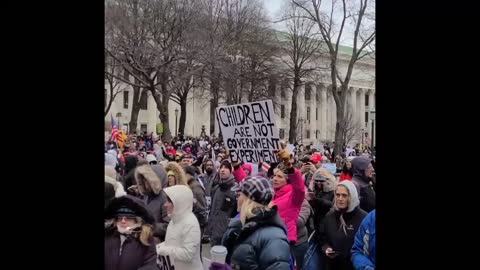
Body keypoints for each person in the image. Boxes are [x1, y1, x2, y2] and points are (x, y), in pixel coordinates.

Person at [222, 176, 291, 270]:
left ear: (248, 200)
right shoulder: (240, 225)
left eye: (239, 195)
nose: (236, 198)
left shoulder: (274, 237)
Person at [319, 181, 367, 270]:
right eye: (337, 195)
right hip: (333, 266)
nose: (340, 198)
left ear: (352, 196)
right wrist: (326, 248)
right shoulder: (329, 216)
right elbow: (322, 238)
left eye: (344, 195)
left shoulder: (364, 218)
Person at [156, 185, 203, 270]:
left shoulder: (190, 223)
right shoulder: (174, 219)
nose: (165, 204)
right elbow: (171, 242)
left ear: (180, 202)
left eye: (169, 201)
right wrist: (158, 247)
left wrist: (163, 250)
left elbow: (188, 254)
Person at [104, 195, 157, 270]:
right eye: (120, 218)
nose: (123, 221)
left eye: (128, 218)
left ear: (137, 220)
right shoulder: (107, 236)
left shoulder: (145, 238)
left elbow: (150, 265)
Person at [269, 147, 306, 249]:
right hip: (270, 238)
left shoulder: (293, 196)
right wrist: (236, 167)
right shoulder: (271, 193)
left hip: (285, 240)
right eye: (274, 176)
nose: (275, 179)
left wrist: (289, 166)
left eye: (280, 177)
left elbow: (300, 189)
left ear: (288, 180)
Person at [134, 164, 170, 242]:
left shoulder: (165, 198)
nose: (144, 182)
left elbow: (169, 226)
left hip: (158, 243)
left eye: (146, 179)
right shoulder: (147, 195)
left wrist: (149, 227)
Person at [206, 160, 238, 246]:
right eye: (221, 167)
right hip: (214, 233)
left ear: (231, 171)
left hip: (226, 235)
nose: (223, 170)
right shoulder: (217, 188)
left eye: (226, 168)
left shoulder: (235, 190)